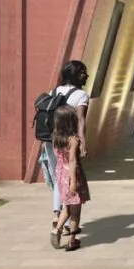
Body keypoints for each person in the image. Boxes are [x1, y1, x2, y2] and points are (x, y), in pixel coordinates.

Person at [37, 59, 89, 190]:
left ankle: (58, 209)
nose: (86, 76)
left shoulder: (53, 92)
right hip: (70, 141)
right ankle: (66, 209)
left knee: (57, 177)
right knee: (71, 174)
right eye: (83, 73)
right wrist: (82, 141)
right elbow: (81, 119)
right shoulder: (81, 95)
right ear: (74, 75)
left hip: (51, 140)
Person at [48, 104, 87, 250]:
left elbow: (61, 157)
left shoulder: (55, 137)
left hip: (60, 173)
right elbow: (72, 160)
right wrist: (74, 181)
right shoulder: (73, 140)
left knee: (67, 206)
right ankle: (72, 240)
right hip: (72, 174)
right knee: (76, 209)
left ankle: (56, 229)